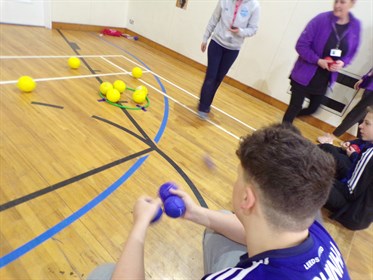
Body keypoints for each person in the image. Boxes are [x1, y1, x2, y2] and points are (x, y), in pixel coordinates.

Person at [88, 123, 352, 279]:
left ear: (247, 198)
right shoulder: (313, 227)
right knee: (219, 224)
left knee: (104, 274)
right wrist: (195, 213)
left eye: (239, 177)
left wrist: (139, 226)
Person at [282, 0, 361, 124]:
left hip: (325, 78)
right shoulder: (321, 19)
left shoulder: (355, 26)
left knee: (313, 109)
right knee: (295, 106)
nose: (337, 5)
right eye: (336, 1)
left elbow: (351, 52)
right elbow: (301, 45)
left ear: (352, 4)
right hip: (304, 73)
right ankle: (282, 133)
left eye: (342, 2)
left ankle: (286, 123)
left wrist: (342, 62)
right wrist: (318, 60)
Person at [197, 0, 260, 120]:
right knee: (211, 76)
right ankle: (203, 107)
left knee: (218, 78)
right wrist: (205, 38)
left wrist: (240, 32)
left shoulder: (254, 6)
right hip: (216, 43)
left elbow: (253, 29)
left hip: (233, 49)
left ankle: (206, 102)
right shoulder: (224, 1)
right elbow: (214, 19)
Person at [319, 106, 373, 230]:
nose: (360, 126)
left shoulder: (370, 154)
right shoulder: (369, 146)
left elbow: (350, 192)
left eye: (367, 123)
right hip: (359, 212)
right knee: (327, 151)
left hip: (351, 211)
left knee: (310, 177)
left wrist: (323, 177)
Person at [318, 67, 373, 144]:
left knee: (356, 114)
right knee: (362, 117)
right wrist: (364, 78)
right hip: (370, 86)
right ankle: (360, 146)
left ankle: (332, 137)